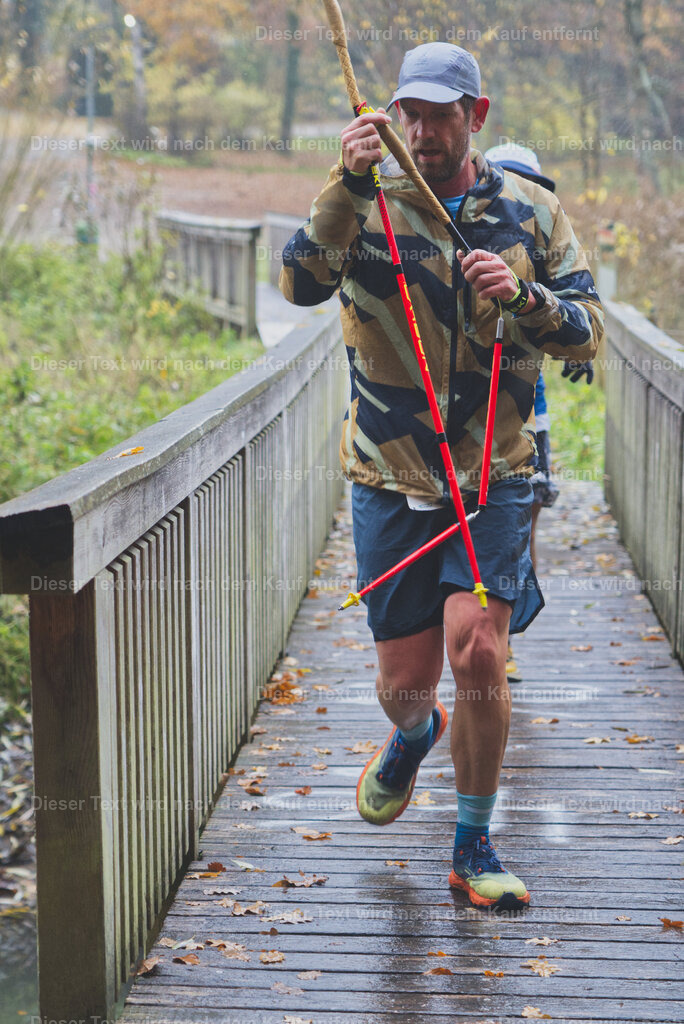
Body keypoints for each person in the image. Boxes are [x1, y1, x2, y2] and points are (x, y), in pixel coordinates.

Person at [279, 42, 603, 910]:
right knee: (405, 688)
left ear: (477, 116)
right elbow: (299, 284)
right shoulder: (367, 198)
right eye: (408, 114)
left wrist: (527, 299)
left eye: (441, 115)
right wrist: (345, 184)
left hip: (495, 471)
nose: (422, 131)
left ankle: (472, 843)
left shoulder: (529, 211)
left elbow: (590, 333)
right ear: (391, 115)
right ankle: (413, 738)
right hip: (390, 474)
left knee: (480, 651)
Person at [484, 144, 594, 682]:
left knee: (527, 509)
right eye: (514, 178)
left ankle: (503, 635)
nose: (524, 189)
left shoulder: (540, 228)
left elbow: (575, 305)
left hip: (531, 404)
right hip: (476, 410)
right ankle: (491, 634)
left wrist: (576, 347)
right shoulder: (475, 227)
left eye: (532, 180)